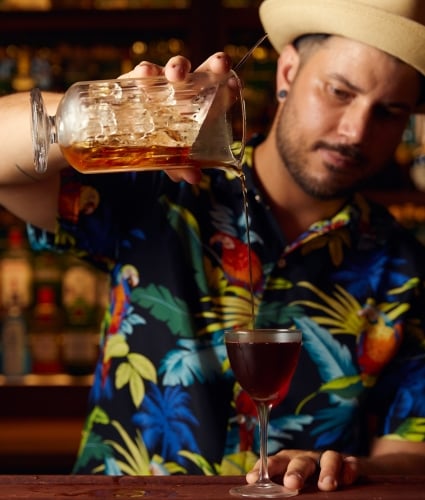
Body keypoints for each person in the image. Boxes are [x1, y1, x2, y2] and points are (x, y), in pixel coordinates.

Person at [1, 0, 425, 493]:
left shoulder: (404, 268)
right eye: (339, 91)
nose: (355, 130)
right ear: (287, 71)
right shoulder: (163, 192)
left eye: (389, 112)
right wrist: (117, 113)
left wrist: (351, 467)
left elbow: (411, 450)